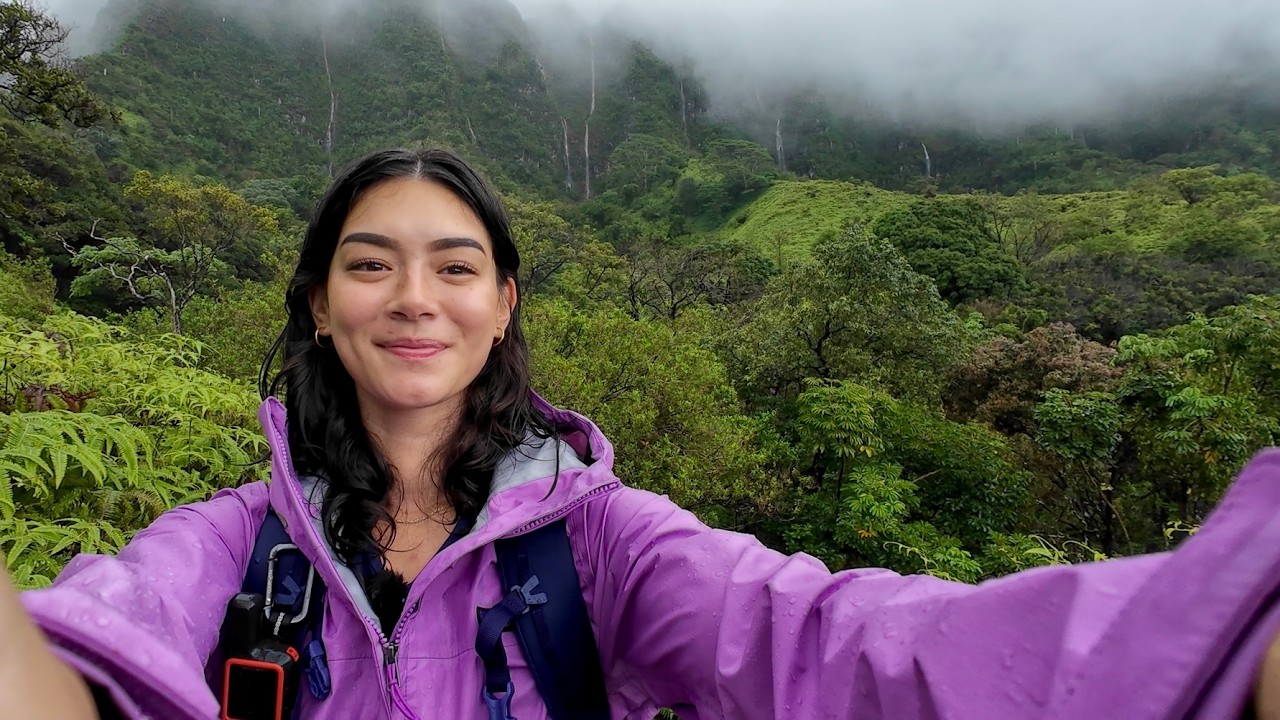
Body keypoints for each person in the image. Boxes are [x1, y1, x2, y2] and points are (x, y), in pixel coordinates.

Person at [4, 147, 1280, 720]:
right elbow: (85, 655)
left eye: (455, 266)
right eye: (368, 263)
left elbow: (830, 641)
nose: (411, 297)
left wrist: (1208, 633)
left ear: (502, 308)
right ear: (320, 308)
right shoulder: (231, 550)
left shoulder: (596, 545)